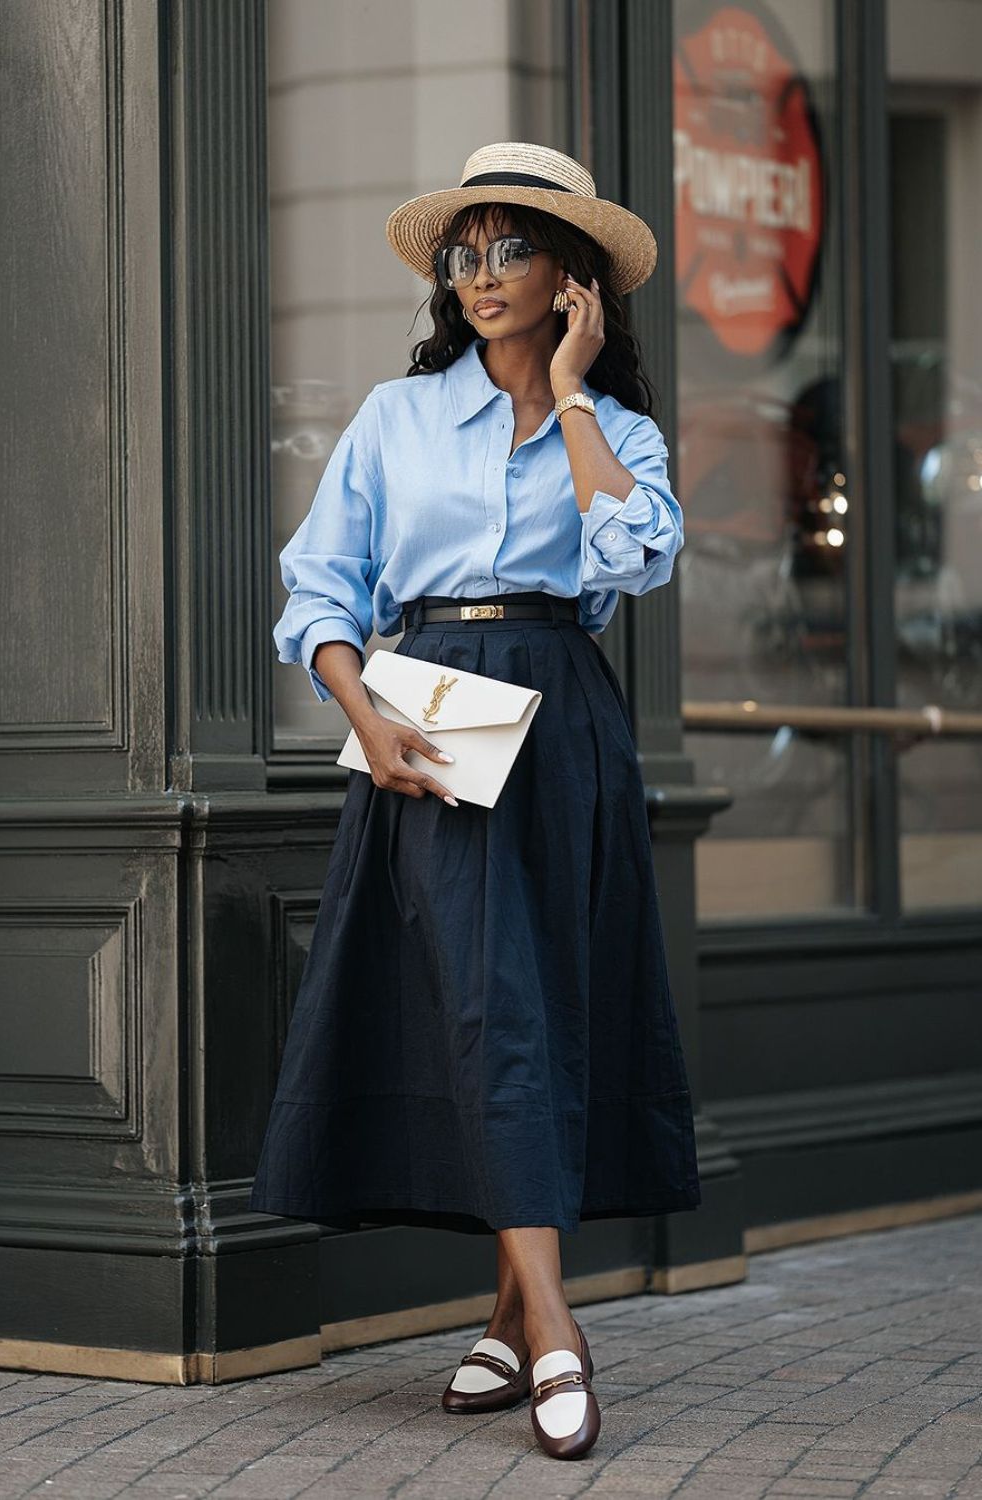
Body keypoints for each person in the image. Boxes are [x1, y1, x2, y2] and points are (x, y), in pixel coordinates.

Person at [249, 141, 702, 1461]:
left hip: (564, 712)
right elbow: (322, 587)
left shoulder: (615, 431)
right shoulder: (396, 420)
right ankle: (556, 1328)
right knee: (488, 1004)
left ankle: (508, 1322)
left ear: (574, 279)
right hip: (432, 711)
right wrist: (362, 712)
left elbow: (636, 554)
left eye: (514, 248)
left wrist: (567, 397)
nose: (484, 272)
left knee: (549, 1001)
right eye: (468, 250)